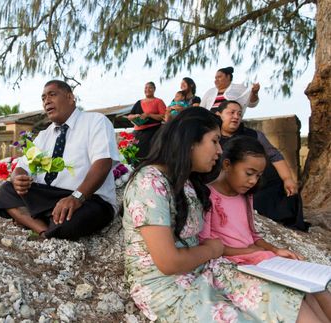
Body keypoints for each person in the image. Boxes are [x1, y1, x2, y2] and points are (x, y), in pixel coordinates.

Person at [123, 108, 311, 322]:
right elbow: (169, 263)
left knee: (287, 297)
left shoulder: (187, 182)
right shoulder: (150, 182)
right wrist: (212, 249)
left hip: (203, 269)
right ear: (191, 141)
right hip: (167, 286)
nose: (220, 150)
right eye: (214, 141)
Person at [200, 136, 331, 322]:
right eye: (249, 173)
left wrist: (275, 250)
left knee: (315, 288)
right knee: (296, 299)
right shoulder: (208, 197)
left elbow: (252, 235)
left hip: (261, 260)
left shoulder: (245, 196)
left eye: (259, 176)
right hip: (238, 265)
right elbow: (207, 244)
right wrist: (251, 251)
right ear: (227, 164)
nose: (253, 181)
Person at [0, 80, 119, 240]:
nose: (47, 101)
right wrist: (17, 178)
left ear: (70, 97)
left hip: (90, 199)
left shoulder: (96, 122)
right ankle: (44, 231)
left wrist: (76, 197)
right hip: (50, 197)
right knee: (7, 191)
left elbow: (103, 164)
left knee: (70, 222)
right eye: (43, 98)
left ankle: (37, 219)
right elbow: (21, 166)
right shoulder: (44, 135)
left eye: (52, 94)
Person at [214, 100, 309, 231]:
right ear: (219, 115)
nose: (236, 116)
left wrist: (287, 179)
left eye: (239, 114)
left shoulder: (254, 135)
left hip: (259, 184)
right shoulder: (213, 136)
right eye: (231, 113)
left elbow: (274, 156)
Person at [126, 82, 166, 161]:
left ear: (154, 89)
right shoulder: (139, 102)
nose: (147, 89)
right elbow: (129, 116)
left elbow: (163, 116)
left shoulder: (158, 101)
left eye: (150, 87)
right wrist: (135, 116)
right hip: (137, 132)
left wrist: (149, 115)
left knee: (144, 154)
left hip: (152, 131)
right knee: (130, 153)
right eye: (146, 87)